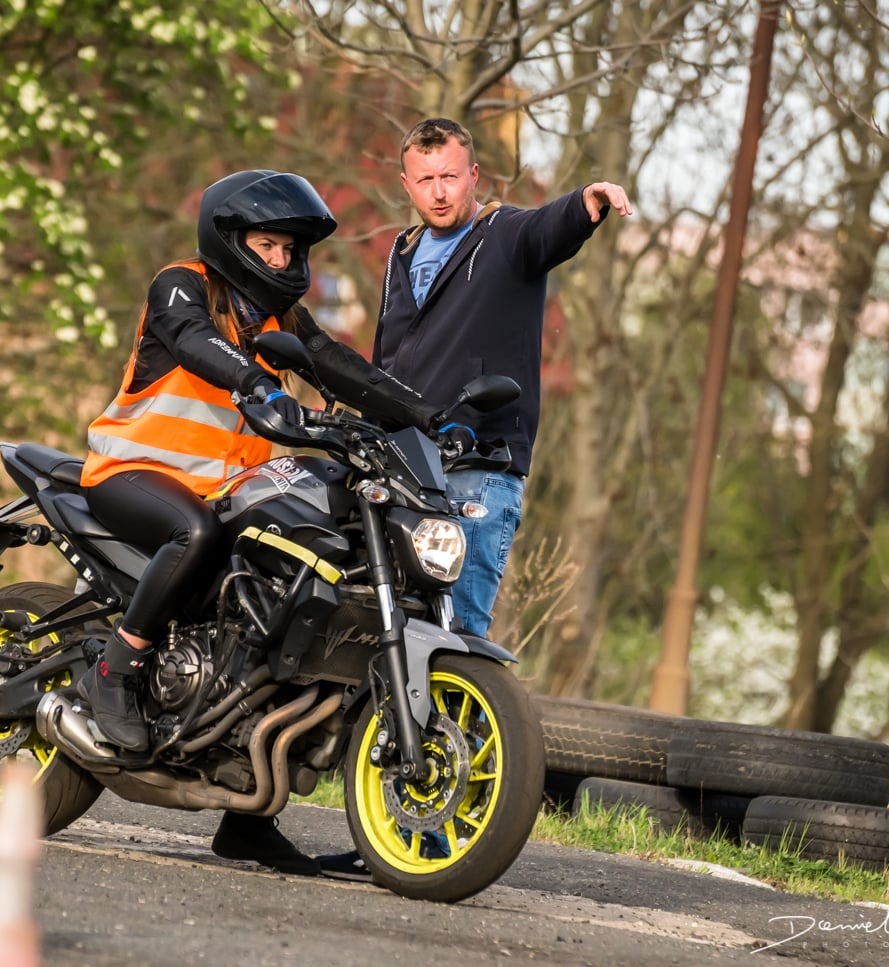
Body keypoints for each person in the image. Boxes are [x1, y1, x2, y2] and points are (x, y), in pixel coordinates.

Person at [76, 169, 440, 877]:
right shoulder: (182, 285)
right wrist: (253, 382)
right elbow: (188, 340)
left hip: (224, 486)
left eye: (288, 249)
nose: (279, 259)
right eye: (267, 245)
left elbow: (335, 365)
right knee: (196, 536)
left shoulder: (281, 322)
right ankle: (113, 672)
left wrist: (430, 418)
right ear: (230, 239)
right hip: (134, 471)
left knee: (294, 597)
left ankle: (248, 816)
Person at [315, 117, 634, 877]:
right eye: (424, 179)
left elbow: (549, 231)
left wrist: (586, 202)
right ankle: (387, 820)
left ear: (473, 174)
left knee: (458, 640)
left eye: (451, 176)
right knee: (392, 634)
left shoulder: (504, 239)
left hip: (478, 470)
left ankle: (436, 840)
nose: (438, 191)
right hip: (400, 466)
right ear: (406, 184)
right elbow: (390, 358)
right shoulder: (399, 253)